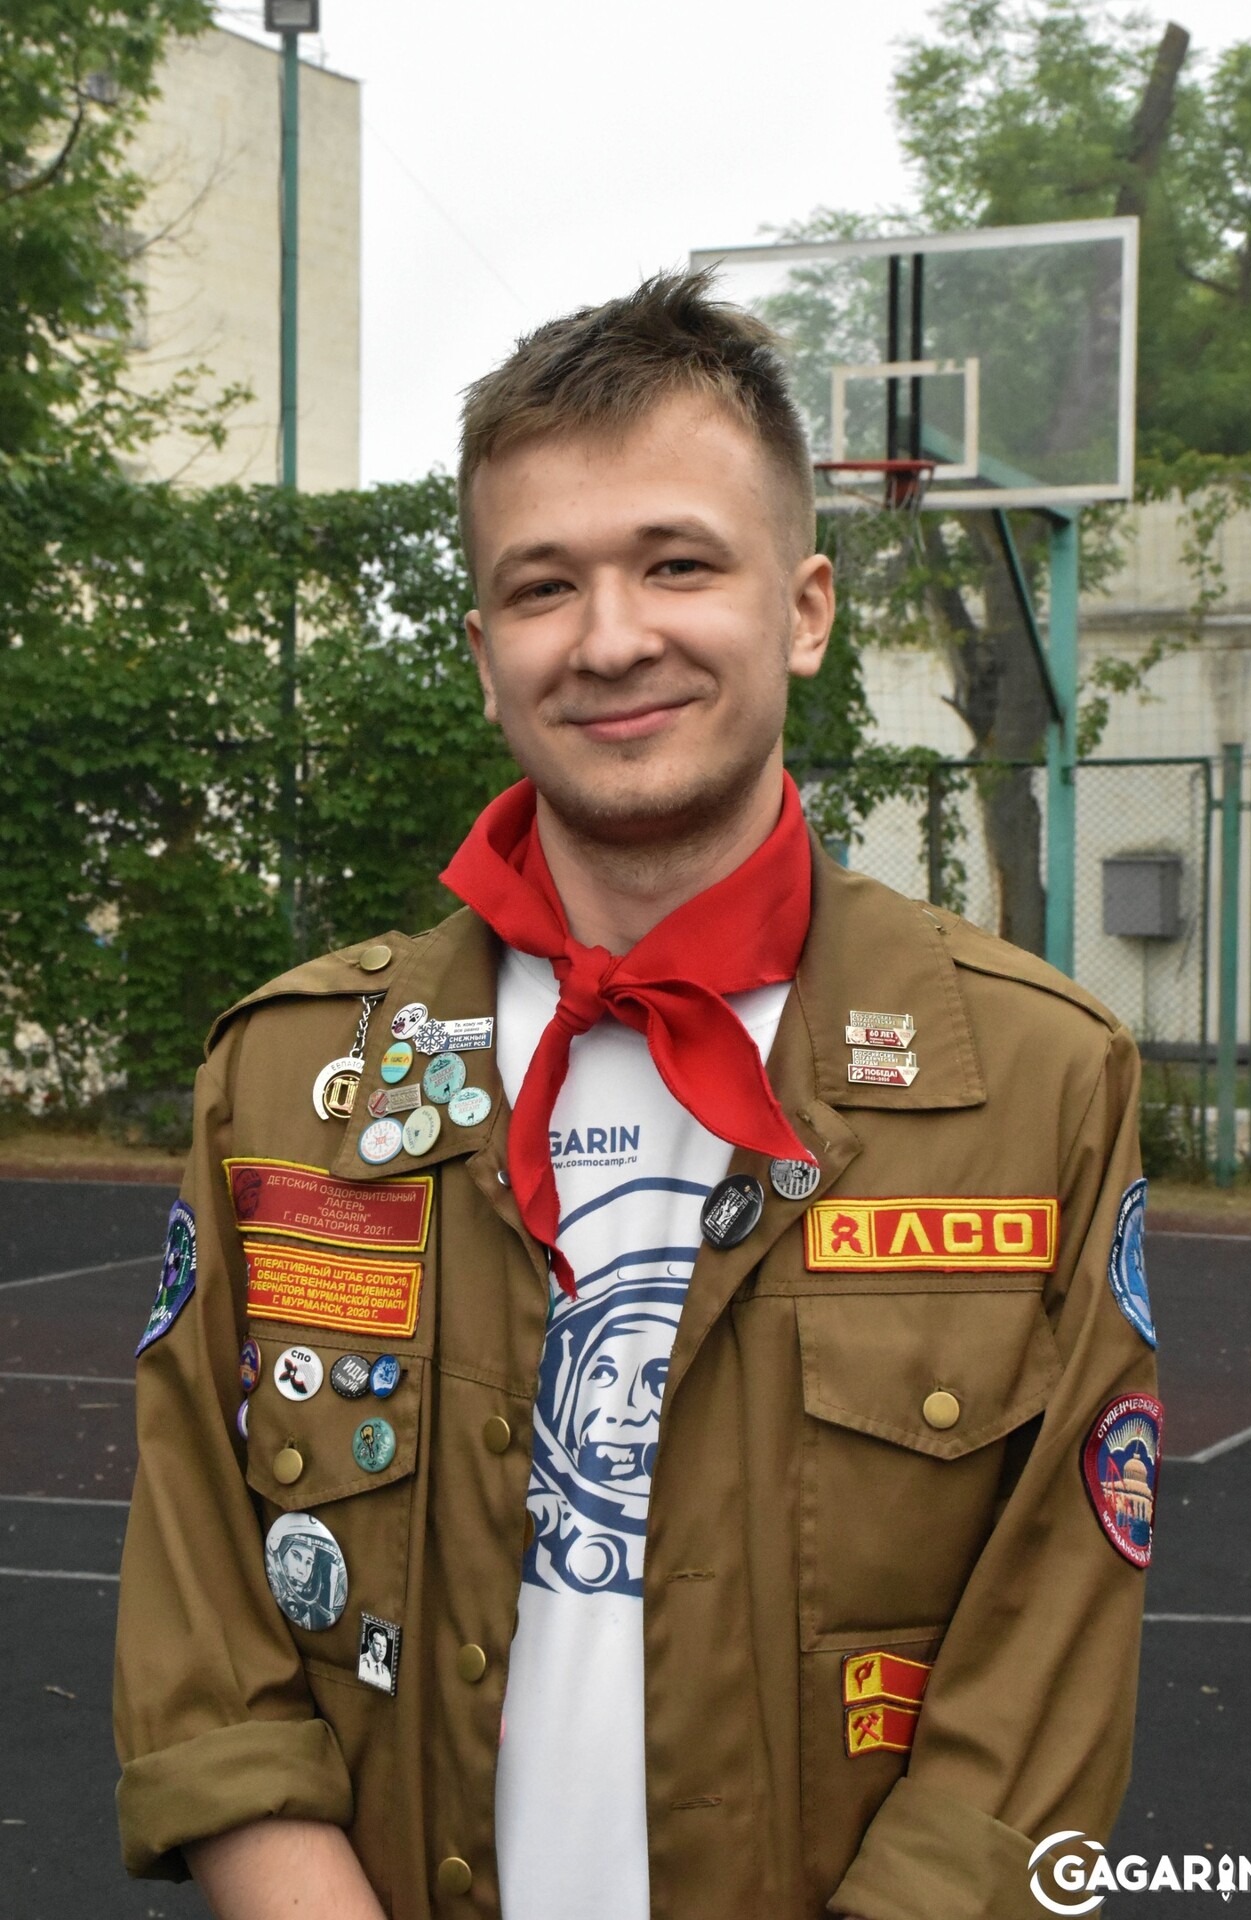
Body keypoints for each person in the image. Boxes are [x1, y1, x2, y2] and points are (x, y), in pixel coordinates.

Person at [114, 272, 1160, 1920]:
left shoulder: (1036, 1084)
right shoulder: (289, 1079)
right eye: (543, 586)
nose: (610, 640)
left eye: (678, 563)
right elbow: (203, 1612)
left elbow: (1044, 1669)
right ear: (485, 656)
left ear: (804, 610)